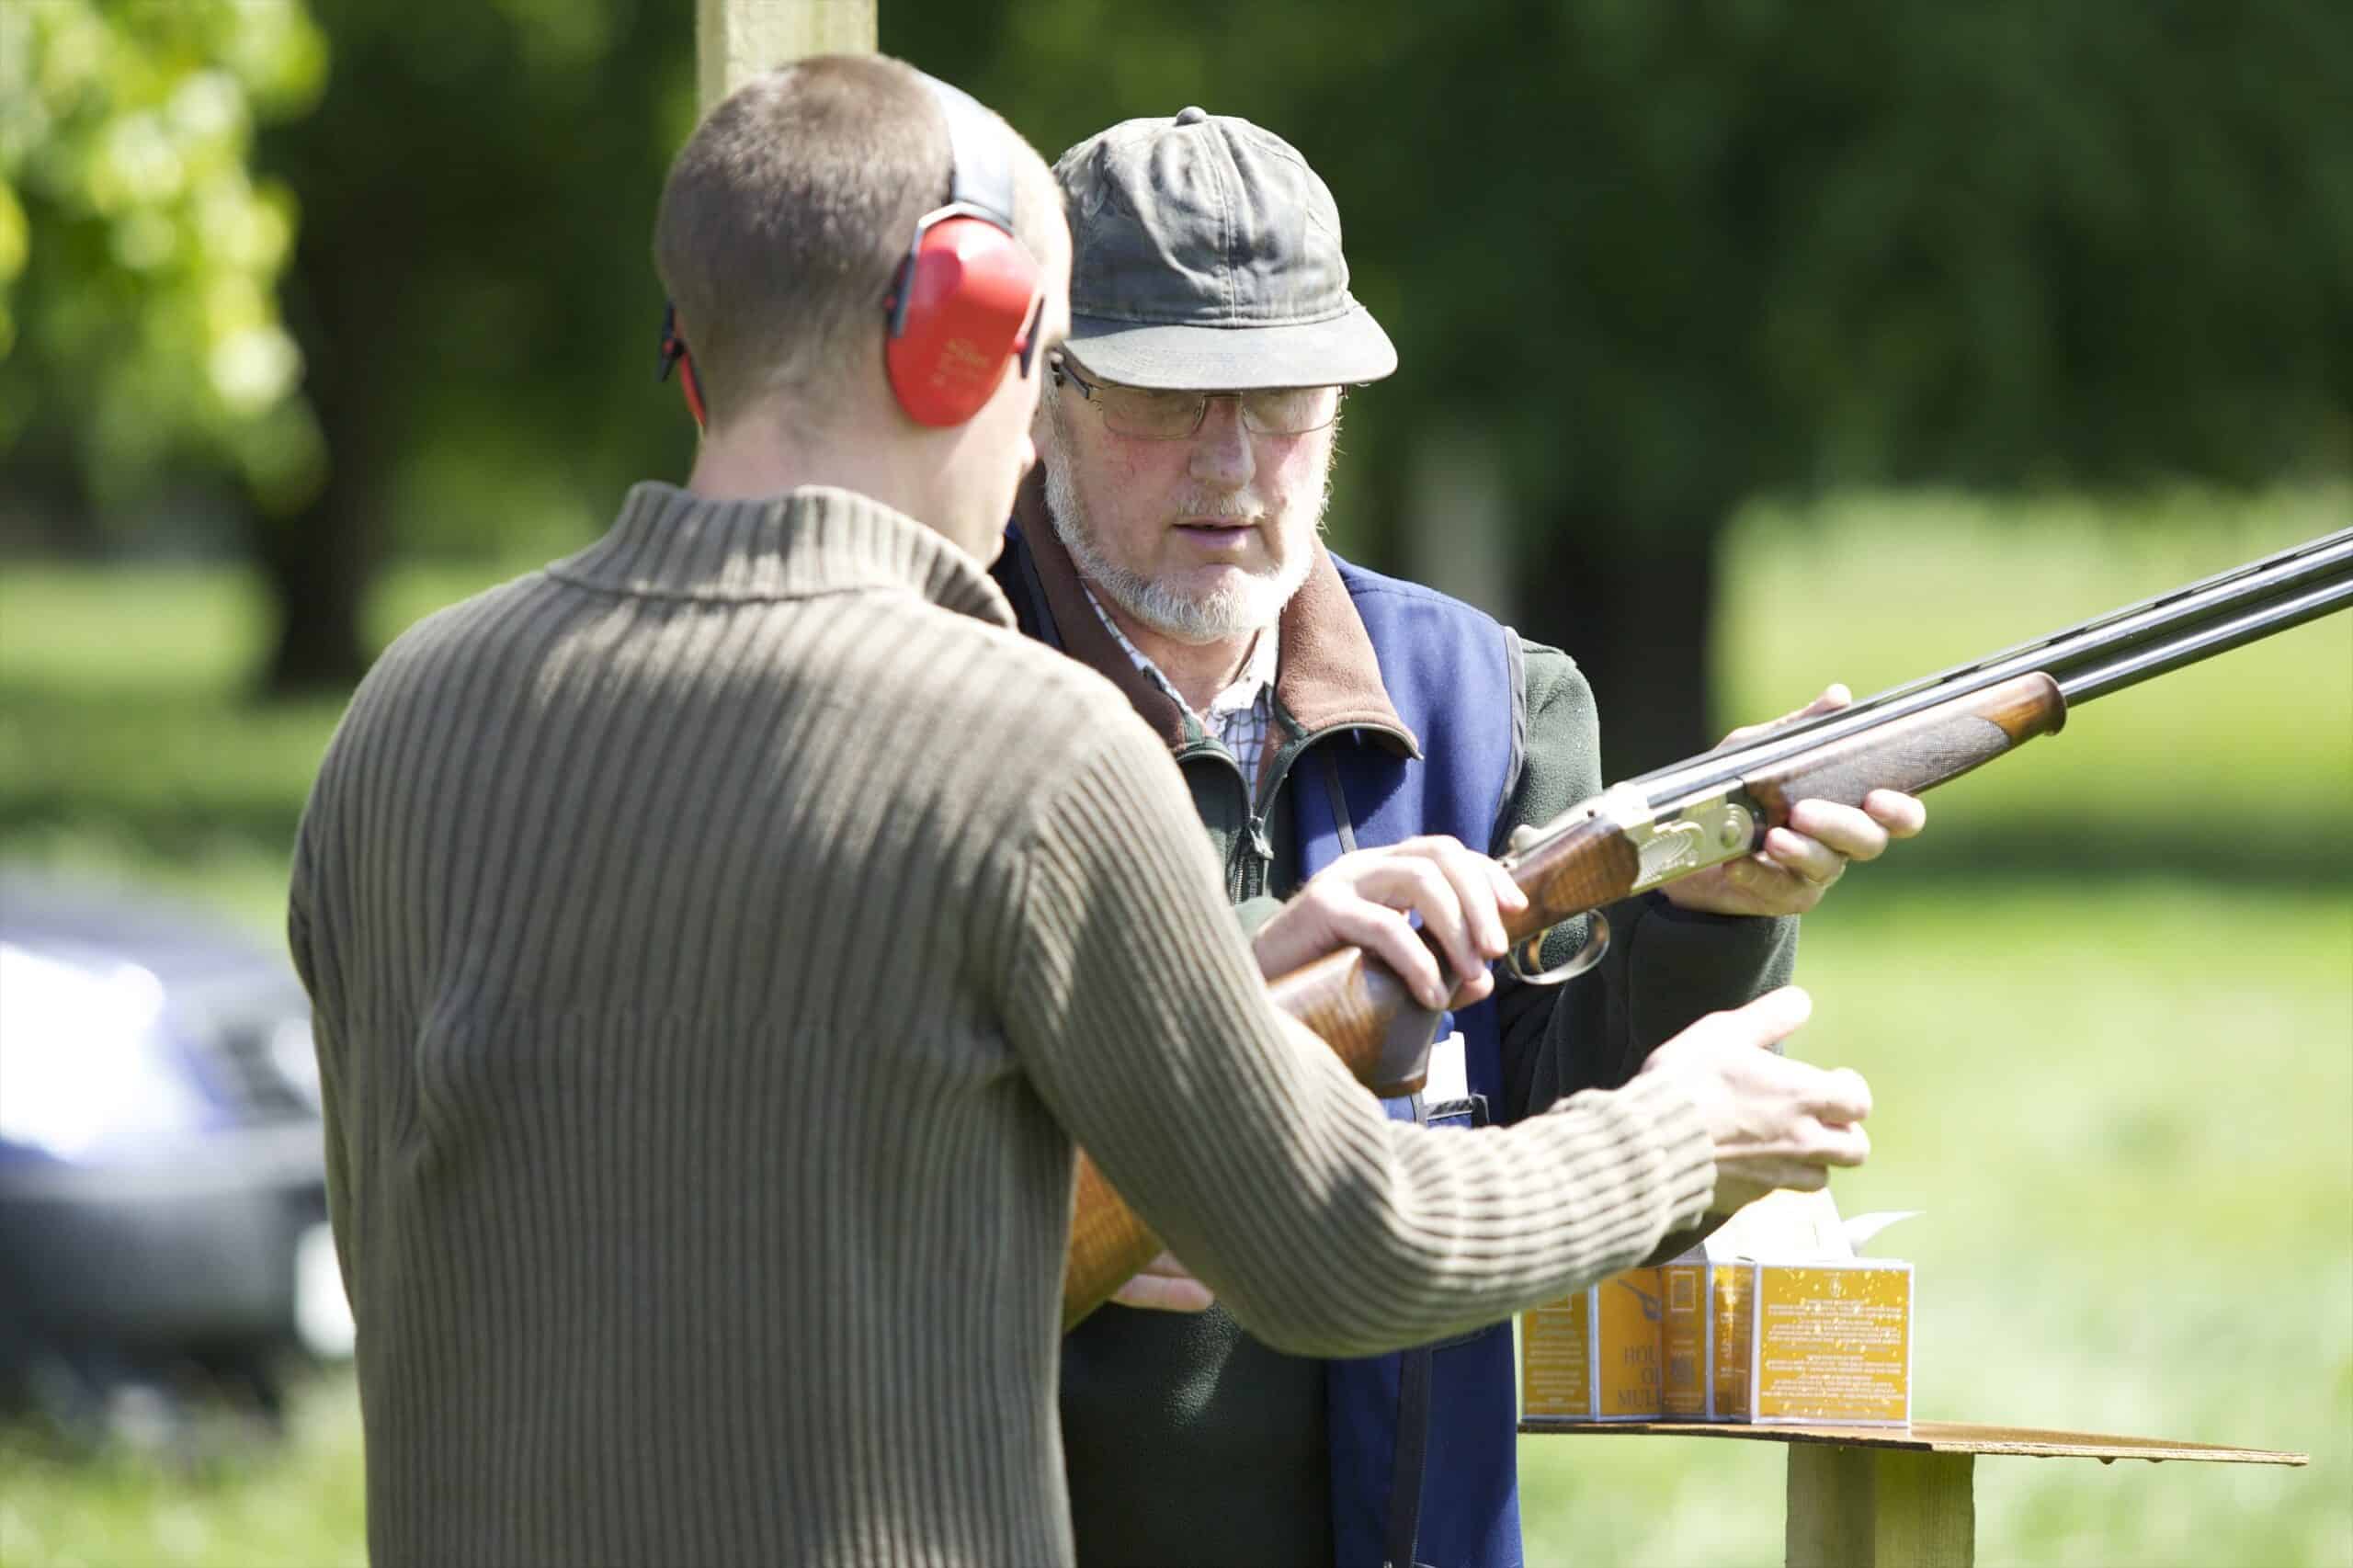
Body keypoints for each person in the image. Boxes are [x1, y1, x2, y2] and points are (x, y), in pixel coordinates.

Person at [291, 59, 1876, 1567]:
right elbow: (1344, 1242)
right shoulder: (1031, 747)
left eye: (1282, 400)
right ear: (977, 353)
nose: (1234, 461)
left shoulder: (402, 717)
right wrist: (1680, 1133)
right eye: (1108, 379)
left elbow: (440, 1262)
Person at [995, 108, 1927, 1568]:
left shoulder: (1489, 697)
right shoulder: (935, 678)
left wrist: (1714, 910)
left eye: (1287, 393)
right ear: (1041, 387)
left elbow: (1589, 1145)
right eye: (1170, 398)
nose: (1235, 462)